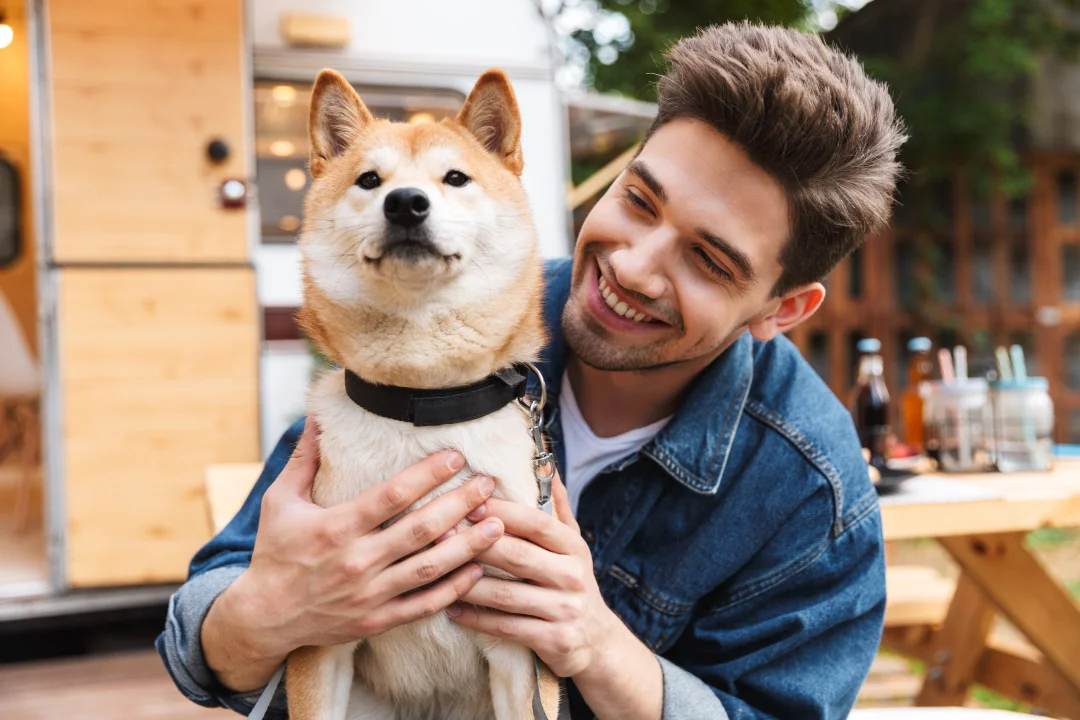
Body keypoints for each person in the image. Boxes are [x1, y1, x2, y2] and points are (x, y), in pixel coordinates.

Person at [158, 21, 905, 720]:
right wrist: (265, 614)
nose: (633, 267)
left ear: (782, 309)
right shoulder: (445, 314)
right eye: (639, 202)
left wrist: (598, 645)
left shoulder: (808, 494)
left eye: (708, 260)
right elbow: (201, 637)